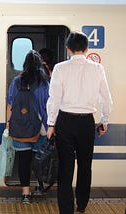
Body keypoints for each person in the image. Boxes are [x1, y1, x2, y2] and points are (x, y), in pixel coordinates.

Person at [46, 32, 113, 214]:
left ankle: (66, 210)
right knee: (85, 166)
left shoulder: (60, 68)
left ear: (68, 49)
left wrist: (51, 124)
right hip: (86, 123)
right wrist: (104, 121)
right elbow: (106, 99)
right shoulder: (98, 69)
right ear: (86, 49)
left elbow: (54, 99)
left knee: (66, 168)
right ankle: (82, 204)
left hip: (65, 121)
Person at [6, 50, 49, 204]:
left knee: (23, 161)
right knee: (40, 160)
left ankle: (25, 194)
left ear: (25, 64)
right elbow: (49, 105)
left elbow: (10, 105)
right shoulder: (44, 82)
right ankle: (39, 187)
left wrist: (8, 124)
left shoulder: (17, 81)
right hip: (41, 128)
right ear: (39, 65)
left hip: (20, 127)